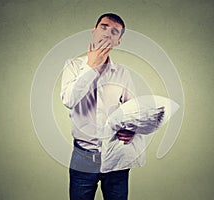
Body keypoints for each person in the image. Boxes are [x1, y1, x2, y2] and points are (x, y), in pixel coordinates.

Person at [60, 13, 146, 200]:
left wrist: (132, 129)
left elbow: (135, 112)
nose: (107, 33)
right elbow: (69, 100)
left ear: (118, 41)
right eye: (104, 27)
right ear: (94, 31)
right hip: (82, 157)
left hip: (115, 158)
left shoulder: (122, 74)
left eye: (114, 32)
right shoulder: (73, 66)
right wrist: (91, 66)